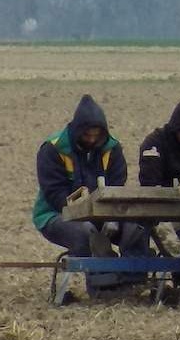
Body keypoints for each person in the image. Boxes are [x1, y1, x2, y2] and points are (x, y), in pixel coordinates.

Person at [33, 94, 150, 296]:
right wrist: (83, 209)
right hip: (56, 215)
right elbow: (54, 193)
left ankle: (133, 281)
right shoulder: (53, 149)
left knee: (135, 227)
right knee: (87, 233)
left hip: (106, 213)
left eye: (97, 136)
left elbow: (116, 186)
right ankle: (101, 285)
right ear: (78, 131)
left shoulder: (112, 149)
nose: (92, 140)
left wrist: (111, 217)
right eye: (87, 136)